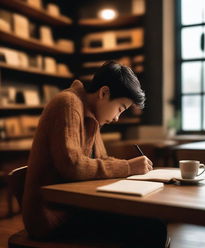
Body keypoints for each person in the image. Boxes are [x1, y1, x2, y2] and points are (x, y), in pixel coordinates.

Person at [22, 61, 170, 247]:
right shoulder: (68, 103)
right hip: (51, 215)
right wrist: (128, 167)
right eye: (120, 108)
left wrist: (132, 167)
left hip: (74, 206)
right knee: (151, 228)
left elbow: (101, 160)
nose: (117, 117)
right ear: (104, 93)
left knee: (152, 221)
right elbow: (72, 166)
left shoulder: (91, 114)